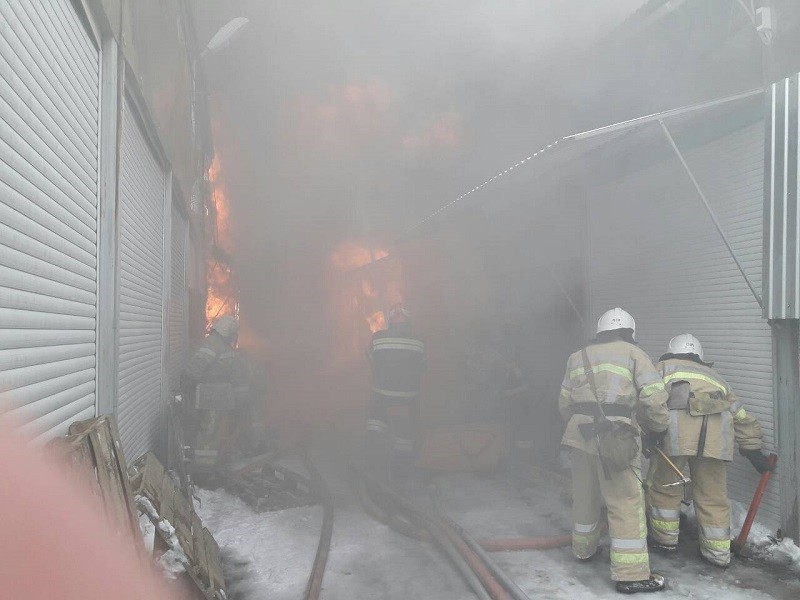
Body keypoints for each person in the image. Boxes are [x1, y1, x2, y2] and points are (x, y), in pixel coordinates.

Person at [558, 307, 669, 594]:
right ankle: (631, 575)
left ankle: (583, 550)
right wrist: (658, 429)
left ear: (600, 331)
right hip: (616, 436)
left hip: (579, 433)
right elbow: (654, 398)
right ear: (630, 332)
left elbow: (564, 403)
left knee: (585, 494)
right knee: (625, 501)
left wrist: (578, 422)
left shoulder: (576, 357)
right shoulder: (635, 354)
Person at [647, 333, 773, 568]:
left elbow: (649, 401)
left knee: (666, 487)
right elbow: (740, 415)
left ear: (671, 351)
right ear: (700, 356)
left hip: (675, 437)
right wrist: (752, 448)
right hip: (715, 440)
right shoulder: (717, 378)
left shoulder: (661, 369)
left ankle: (665, 541)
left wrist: (649, 432)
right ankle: (717, 553)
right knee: (713, 495)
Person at [365, 304, 426, 480]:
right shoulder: (419, 341)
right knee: (405, 431)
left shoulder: (377, 338)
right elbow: (423, 367)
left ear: (389, 320)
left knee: (375, 422)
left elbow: (370, 358)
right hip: (408, 397)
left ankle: (373, 458)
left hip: (381, 394)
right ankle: (402, 467)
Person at [184, 315, 250, 469]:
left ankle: (207, 464)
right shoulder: (213, 344)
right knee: (209, 431)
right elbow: (195, 368)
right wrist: (192, 385)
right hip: (210, 397)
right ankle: (204, 468)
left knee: (212, 431)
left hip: (216, 397)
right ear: (228, 331)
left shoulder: (221, 345)